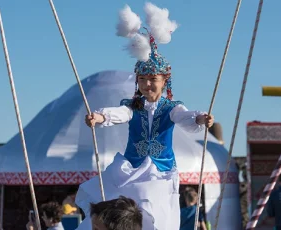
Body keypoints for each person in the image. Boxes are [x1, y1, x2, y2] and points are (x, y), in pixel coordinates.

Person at [75, 3, 214, 230]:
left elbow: (185, 117)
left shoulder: (171, 107)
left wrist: (201, 119)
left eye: (152, 79)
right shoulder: (133, 106)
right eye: (142, 79)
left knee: (152, 207)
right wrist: (99, 118)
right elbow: (120, 114)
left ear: (164, 81)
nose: (147, 84)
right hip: (130, 165)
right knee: (108, 196)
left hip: (159, 170)